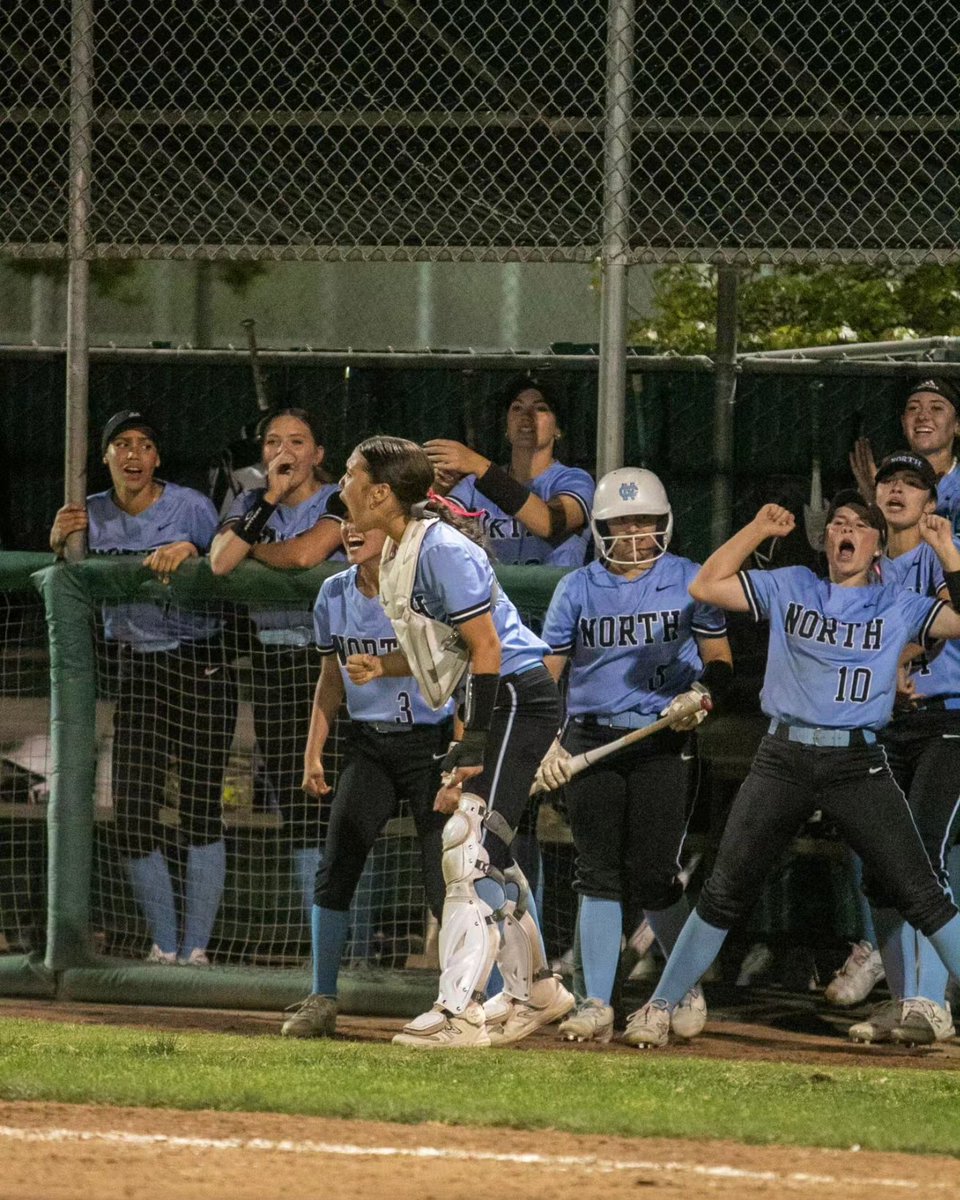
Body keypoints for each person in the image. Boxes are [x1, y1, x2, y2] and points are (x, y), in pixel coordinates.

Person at [622, 491, 960, 1048]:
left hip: (856, 759)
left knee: (920, 892)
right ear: (824, 538)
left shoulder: (896, 601)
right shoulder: (794, 583)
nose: (845, 530)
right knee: (724, 890)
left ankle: (926, 1003)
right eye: (836, 524)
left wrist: (946, 550)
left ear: (877, 545)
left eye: (859, 525)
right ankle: (660, 1006)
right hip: (783, 757)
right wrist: (756, 528)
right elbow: (706, 585)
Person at [338, 434, 574, 1049]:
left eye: (350, 476)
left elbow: (490, 651)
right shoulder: (398, 551)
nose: (343, 487)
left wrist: (474, 745)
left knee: (467, 848)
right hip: (493, 699)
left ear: (382, 492)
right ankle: (538, 993)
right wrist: (464, 737)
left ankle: (458, 1012)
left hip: (517, 697)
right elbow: (449, 659)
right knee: (490, 850)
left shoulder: (441, 550)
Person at [532, 467, 733, 1044]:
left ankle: (682, 982)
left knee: (652, 873)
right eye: (620, 522)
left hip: (663, 741)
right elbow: (551, 675)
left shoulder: (690, 580)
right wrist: (548, 739)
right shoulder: (577, 588)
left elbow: (719, 659)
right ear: (600, 528)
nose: (633, 532)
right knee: (595, 872)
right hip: (593, 742)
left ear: (663, 523)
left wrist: (702, 695)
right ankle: (597, 1002)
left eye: (643, 520)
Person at [50, 410, 236, 966]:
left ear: (157, 458)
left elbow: (231, 559)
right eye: (121, 445)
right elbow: (67, 578)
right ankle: (164, 944)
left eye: (145, 445)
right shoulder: (91, 514)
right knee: (132, 811)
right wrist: (58, 542)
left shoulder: (191, 507)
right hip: (139, 668)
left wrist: (195, 553)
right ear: (105, 456)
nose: (133, 455)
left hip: (201, 664)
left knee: (201, 807)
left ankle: (197, 949)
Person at [280, 520, 454, 1037]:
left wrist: (384, 667)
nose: (353, 532)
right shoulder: (333, 592)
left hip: (431, 743)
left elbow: (449, 660)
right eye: (347, 525)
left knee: (446, 879)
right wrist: (314, 753)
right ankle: (322, 996)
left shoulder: (422, 587)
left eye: (365, 525)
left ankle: (479, 998)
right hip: (369, 743)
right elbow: (331, 677)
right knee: (336, 865)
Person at [210, 408, 343, 924]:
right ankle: (322, 944)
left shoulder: (336, 497)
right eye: (272, 442)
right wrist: (267, 499)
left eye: (296, 442)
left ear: (317, 454)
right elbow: (221, 561)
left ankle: (360, 949)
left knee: (338, 807)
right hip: (272, 663)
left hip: (330, 662)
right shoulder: (251, 500)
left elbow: (308, 555)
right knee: (295, 804)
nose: (284, 453)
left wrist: (256, 551)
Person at [846, 452, 960, 1045]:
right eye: (889, 481)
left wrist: (900, 658)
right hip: (885, 729)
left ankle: (932, 1002)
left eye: (913, 484)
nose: (897, 491)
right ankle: (906, 999)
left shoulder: (943, 551)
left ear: (931, 501)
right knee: (880, 867)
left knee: (921, 857)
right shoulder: (868, 562)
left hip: (950, 722)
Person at [424, 374, 595, 567]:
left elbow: (548, 523)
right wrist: (438, 488)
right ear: (506, 427)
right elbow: (433, 533)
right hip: (491, 595)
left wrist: (481, 466)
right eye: (517, 408)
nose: (526, 415)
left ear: (558, 429)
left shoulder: (575, 480)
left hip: (554, 594)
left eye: (540, 408)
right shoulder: (474, 484)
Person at [850, 377, 960, 531]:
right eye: (913, 408)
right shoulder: (884, 482)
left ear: (957, 425)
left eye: (936, 408)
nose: (922, 416)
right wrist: (875, 502)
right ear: (903, 423)